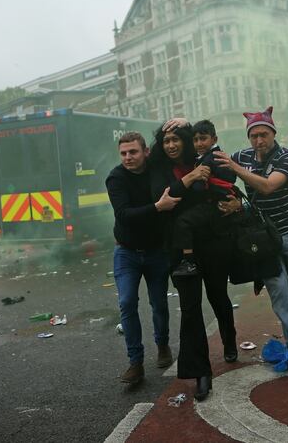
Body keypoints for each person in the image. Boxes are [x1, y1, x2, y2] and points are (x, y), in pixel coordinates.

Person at [215, 106, 288, 348]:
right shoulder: (241, 156)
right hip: (263, 238)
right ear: (248, 137)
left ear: (274, 133)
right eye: (254, 136)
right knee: (279, 291)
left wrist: (236, 169)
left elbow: (268, 187)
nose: (259, 140)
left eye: (264, 134)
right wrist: (235, 203)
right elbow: (218, 174)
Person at [150, 120, 238, 401]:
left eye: (177, 139)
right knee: (190, 309)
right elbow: (166, 198)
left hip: (213, 242)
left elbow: (230, 185)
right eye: (166, 141)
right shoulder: (159, 169)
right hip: (180, 249)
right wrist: (187, 180)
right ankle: (201, 372)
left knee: (218, 296)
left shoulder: (204, 157)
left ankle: (229, 338)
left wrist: (236, 204)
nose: (172, 145)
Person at [106, 131, 179, 385]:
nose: (128, 157)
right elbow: (124, 214)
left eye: (133, 152)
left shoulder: (156, 169)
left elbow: (169, 142)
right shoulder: (115, 178)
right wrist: (158, 207)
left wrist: (178, 124)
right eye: (124, 153)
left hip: (156, 251)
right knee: (127, 303)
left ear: (145, 152)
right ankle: (135, 362)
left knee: (159, 303)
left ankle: (163, 345)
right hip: (126, 251)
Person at [170, 119, 238, 278]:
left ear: (214, 139)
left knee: (183, 222)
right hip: (218, 203)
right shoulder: (214, 156)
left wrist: (192, 183)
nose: (199, 143)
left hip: (213, 204)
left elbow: (199, 187)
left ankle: (188, 261)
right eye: (195, 140)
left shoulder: (209, 158)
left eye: (203, 138)